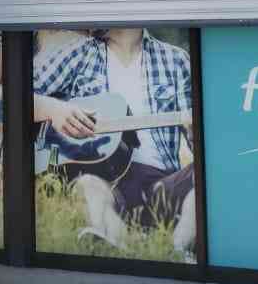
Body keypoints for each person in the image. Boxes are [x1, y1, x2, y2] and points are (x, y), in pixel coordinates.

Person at [33, 28, 195, 254]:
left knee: (207, 172)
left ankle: (176, 252)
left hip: (161, 185)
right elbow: (11, 96)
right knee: (87, 186)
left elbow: (201, 146)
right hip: (106, 182)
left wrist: (195, 130)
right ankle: (120, 248)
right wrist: (53, 108)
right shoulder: (79, 54)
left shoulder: (175, 60)